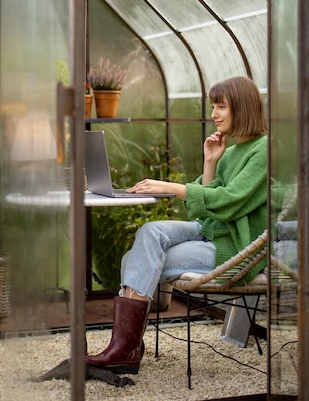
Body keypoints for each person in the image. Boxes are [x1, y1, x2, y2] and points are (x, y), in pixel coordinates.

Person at [86, 76, 268, 375]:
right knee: (150, 231)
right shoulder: (231, 151)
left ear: (243, 107)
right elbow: (207, 203)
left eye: (221, 106)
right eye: (213, 106)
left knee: (134, 259)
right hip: (212, 229)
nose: (214, 114)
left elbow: (229, 201)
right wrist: (210, 162)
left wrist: (169, 186)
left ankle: (124, 349)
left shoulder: (263, 150)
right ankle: (125, 347)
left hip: (234, 244)